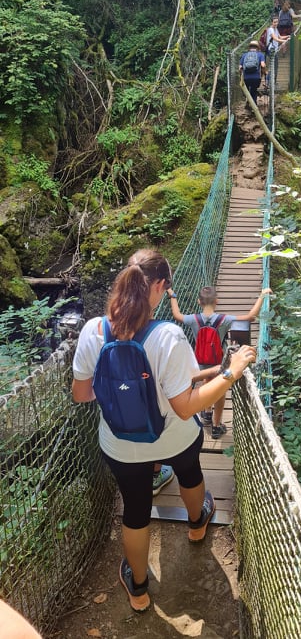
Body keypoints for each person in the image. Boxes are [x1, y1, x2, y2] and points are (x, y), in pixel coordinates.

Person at [72, 249, 256, 613]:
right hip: (174, 437)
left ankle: (139, 590)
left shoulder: (93, 330)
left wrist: (119, 390)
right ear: (159, 287)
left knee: (136, 508)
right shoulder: (169, 335)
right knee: (189, 472)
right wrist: (230, 371)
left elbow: (81, 394)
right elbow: (186, 405)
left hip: (121, 445)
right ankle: (197, 525)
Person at [167, 285, 271, 438]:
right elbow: (250, 317)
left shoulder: (193, 319)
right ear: (217, 301)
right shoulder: (224, 320)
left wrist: (172, 295)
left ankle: (207, 413)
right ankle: (216, 426)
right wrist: (262, 296)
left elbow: (177, 315)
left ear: (198, 301)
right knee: (219, 390)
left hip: (200, 361)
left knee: (206, 382)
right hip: (219, 362)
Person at [239, 39, 266, 107]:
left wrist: (241, 75)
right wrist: (264, 72)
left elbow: (240, 67)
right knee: (254, 90)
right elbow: (263, 65)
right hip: (256, 77)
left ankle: (248, 101)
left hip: (246, 77)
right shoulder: (260, 55)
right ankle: (254, 105)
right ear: (258, 47)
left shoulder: (244, 55)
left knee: (247, 90)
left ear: (249, 47)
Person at [266, 15, 288, 85]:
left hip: (274, 50)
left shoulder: (276, 29)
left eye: (277, 22)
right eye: (274, 22)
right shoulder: (271, 29)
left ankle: (272, 82)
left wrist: (288, 36)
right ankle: (270, 82)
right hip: (271, 50)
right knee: (273, 66)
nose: (276, 23)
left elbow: (280, 37)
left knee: (275, 66)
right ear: (271, 23)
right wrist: (283, 41)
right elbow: (275, 38)